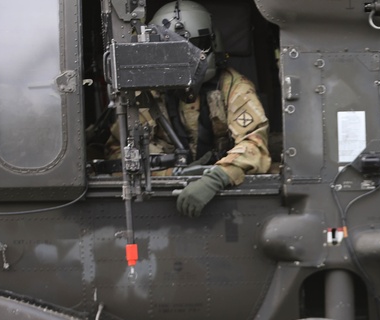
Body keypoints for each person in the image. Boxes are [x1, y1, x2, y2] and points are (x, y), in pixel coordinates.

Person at [106, 0, 271, 217]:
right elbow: (117, 155)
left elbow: (255, 144)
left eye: (196, 45)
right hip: (162, 199)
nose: (189, 59)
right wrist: (170, 173)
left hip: (223, 196)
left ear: (214, 42)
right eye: (176, 51)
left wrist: (216, 177)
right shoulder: (147, 95)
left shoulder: (232, 87)